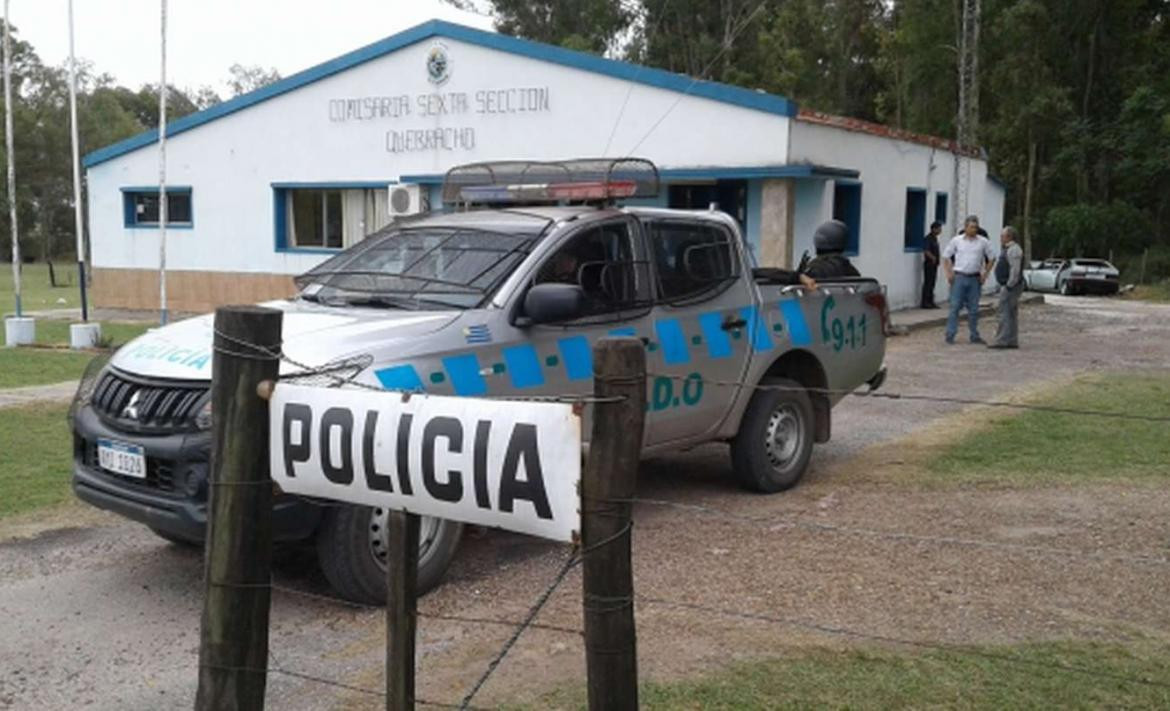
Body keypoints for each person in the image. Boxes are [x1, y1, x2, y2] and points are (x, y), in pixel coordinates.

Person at [941, 215, 995, 344]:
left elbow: (992, 257)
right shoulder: (957, 241)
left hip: (974, 278)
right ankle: (950, 334)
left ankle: (974, 334)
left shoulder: (983, 242)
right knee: (954, 307)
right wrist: (949, 273)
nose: (974, 230)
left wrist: (985, 274)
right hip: (959, 276)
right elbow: (946, 256)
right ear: (965, 227)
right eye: (971, 227)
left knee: (974, 309)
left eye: (976, 227)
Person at [989, 225, 1024, 349]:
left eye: (1002, 236)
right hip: (1010, 285)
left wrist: (1009, 285)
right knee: (1011, 313)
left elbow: (1015, 269)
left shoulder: (1013, 250)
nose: (1000, 238)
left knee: (1004, 313)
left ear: (1009, 237)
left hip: (1010, 286)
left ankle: (1002, 340)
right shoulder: (1009, 249)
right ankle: (1011, 339)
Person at [921, 221, 942, 308]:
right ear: (934, 229)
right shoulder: (928, 238)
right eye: (939, 229)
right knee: (928, 283)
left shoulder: (935, 239)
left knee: (932, 283)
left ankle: (931, 301)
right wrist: (932, 257)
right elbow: (926, 250)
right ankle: (925, 302)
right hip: (929, 264)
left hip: (934, 265)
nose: (940, 231)